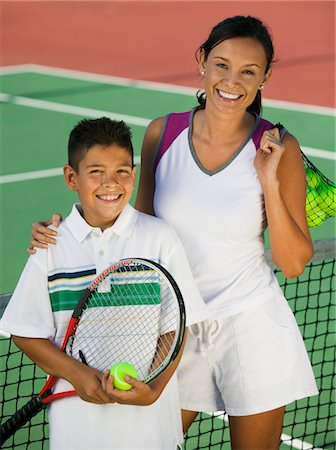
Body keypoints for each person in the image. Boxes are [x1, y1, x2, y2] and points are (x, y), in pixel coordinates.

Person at [28, 15, 319, 450]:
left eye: (248, 71)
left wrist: (270, 183)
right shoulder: (163, 134)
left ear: (265, 77)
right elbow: (134, 229)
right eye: (221, 65)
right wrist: (65, 231)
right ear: (202, 61)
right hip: (170, 331)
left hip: (250, 326)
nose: (231, 82)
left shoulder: (278, 146)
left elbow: (293, 263)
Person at [1, 117, 209, 450]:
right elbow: (24, 331)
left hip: (151, 431)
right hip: (77, 431)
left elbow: (176, 328)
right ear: (72, 177)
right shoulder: (50, 247)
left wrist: (152, 387)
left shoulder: (159, 239)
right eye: (96, 171)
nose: (110, 183)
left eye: (122, 171)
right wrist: (78, 374)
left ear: (134, 173)